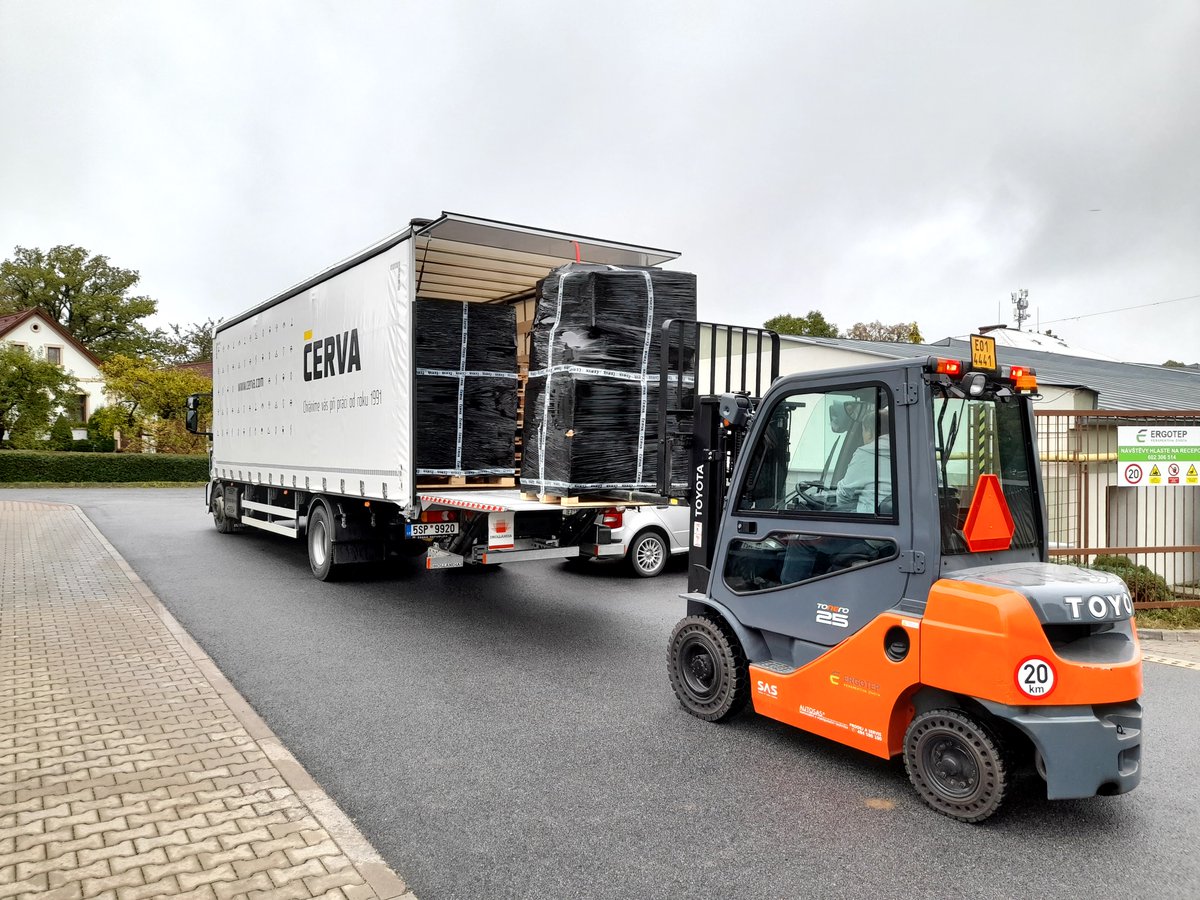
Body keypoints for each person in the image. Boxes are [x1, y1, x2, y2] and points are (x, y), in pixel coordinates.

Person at [834, 407, 891, 514]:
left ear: (869, 432)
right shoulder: (907, 451)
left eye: (863, 431)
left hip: (871, 522)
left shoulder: (865, 453)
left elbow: (844, 494)